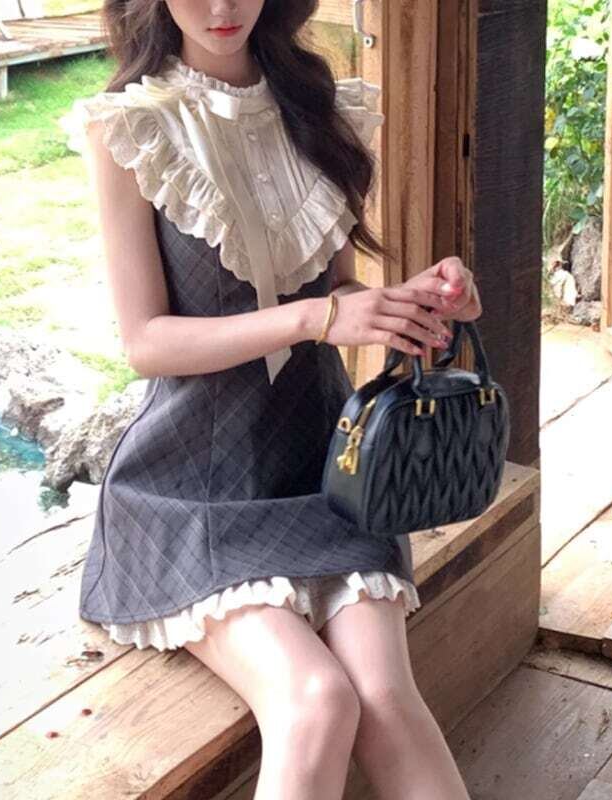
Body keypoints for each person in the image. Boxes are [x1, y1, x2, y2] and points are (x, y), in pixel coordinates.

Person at [59, 1, 481, 798]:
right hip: (192, 490)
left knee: (386, 700)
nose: (223, 7)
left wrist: (412, 303)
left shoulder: (320, 107)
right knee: (315, 701)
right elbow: (145, 341)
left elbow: (335, 291)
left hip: (334, 475)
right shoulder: (132, 128)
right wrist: (315, 319)